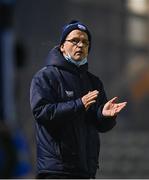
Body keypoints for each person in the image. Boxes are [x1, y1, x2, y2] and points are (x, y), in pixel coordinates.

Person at [30, 20, 127, 179]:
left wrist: (104, 115)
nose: (80, 45)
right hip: (56, 171)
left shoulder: (94, 82)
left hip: (86, 171)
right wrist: (79, 104)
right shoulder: (45, 76)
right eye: (75, 40)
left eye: (85, 42)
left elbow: (100, 126)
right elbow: (42, 113)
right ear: (62, 46)